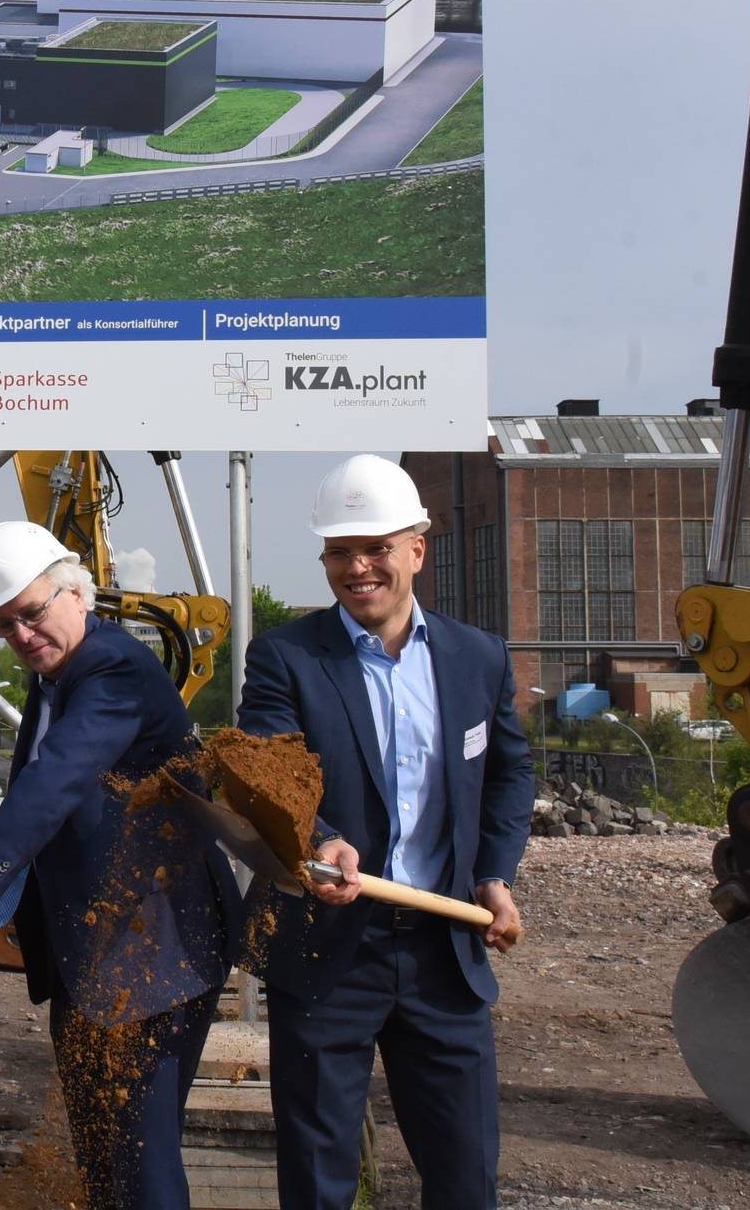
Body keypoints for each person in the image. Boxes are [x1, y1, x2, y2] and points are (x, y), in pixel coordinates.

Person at [236, 454, 532, 1210]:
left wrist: (494, 875)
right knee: (319, 1176)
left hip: (445, 950)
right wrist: (322, 837)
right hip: (330, 952)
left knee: (466, 1176)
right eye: (340, 552)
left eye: (375, 549)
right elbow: (268, 769)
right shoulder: (286, 658)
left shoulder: (478, 658)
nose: (358, 567)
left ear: (416, 551)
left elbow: (506, 776)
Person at [0, 522, 235, 1210]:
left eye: (32, 612)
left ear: (77, 592)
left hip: (156, 954)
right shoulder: (57, 674)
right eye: (5, 625)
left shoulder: (113, 668)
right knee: (104, 1156)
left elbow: (56, 780)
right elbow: (46, 812)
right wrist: (4, 903)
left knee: (140, 1164)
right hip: (95, 958)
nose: (21, 634)